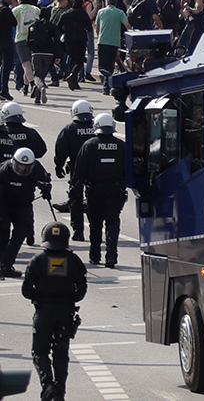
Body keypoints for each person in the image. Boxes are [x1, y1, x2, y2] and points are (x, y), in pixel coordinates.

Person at [22, 221, 88, 401]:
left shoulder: (38, 259)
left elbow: (26, 290)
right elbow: (81, 290)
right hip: (65, 314)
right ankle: (60, 393)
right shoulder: (74, 259)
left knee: (40, 352)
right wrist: (68, 298)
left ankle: (48, 384)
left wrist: (40, 295)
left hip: (43, 312)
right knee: (61, 354)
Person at [73, 114, 127, 267]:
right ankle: (111, 257)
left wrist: (76, 188)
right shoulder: (121, 146)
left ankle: (94, 255)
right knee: (113, 223)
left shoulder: (89, 145)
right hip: (115, 190)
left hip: (94, 191)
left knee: (95, 224)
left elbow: (79, 171)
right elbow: (129, 169)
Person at [0, 148, 52, 276]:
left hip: (23, 205)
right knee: (3, 234)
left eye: (26, 167)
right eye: (20, 166)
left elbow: (46, 180)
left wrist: (45, 187)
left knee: (21, 231)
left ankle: (7, 265)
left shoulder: (36, 167)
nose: (22, 169)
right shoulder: (4, 170)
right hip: (4, 204)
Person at [53, 100, 96, 240]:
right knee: (93, 200)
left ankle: (78, 232)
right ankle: (95, 230)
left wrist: (59, 166)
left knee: (75, 199)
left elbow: (61, 149)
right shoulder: (98, 127)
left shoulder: (70, 129)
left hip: (76, 169)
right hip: (96, 170)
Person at [94, 0, 129, 94]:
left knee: (102, 67)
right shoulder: (120, 12)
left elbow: (97, 26)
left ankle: (108, 79)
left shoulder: (101, 12)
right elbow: (127, 24)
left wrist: (98, 35)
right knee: (110, 65)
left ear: (106, 2)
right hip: (114, 42)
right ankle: (107, 87)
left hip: (103, 41)